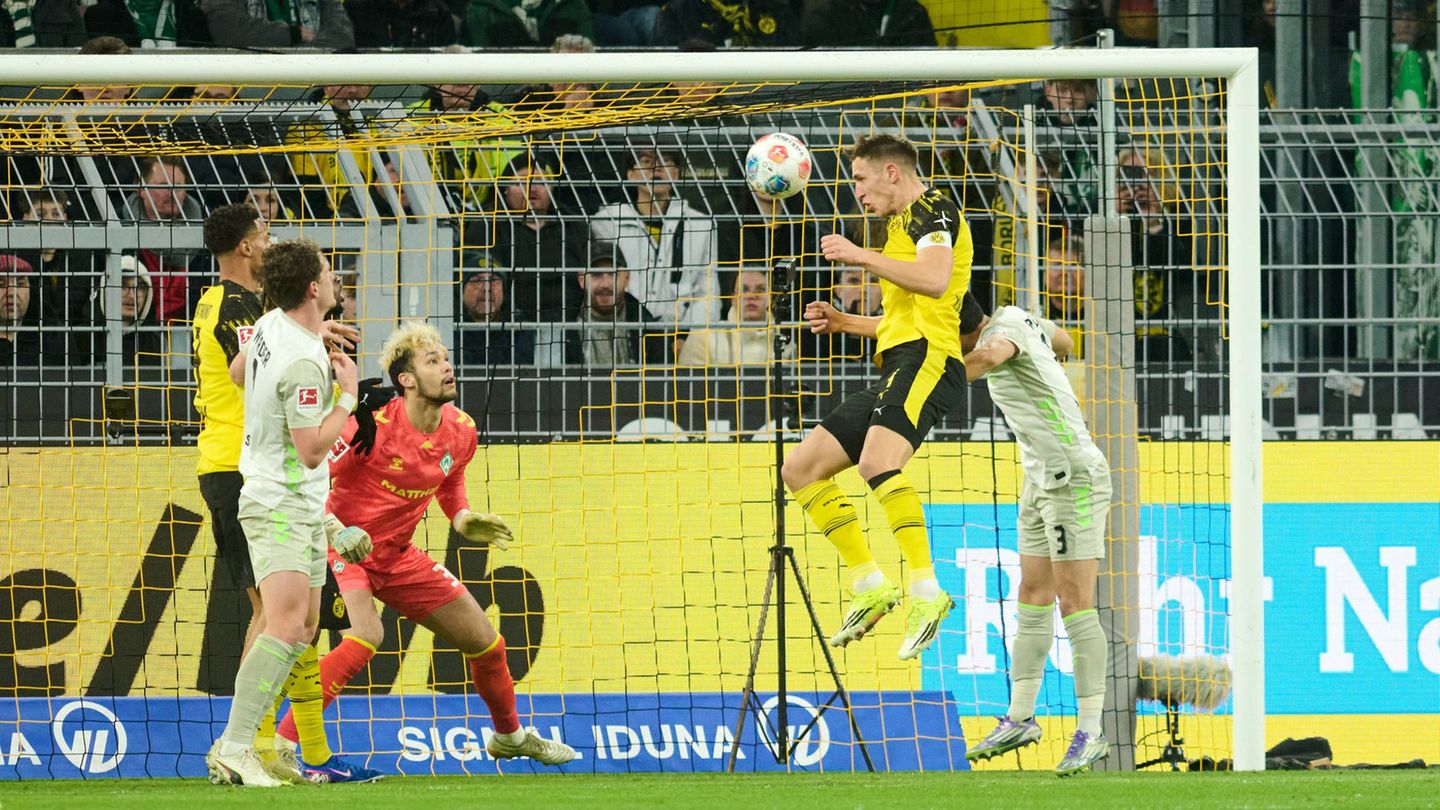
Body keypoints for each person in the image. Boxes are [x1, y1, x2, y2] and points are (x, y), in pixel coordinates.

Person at [275, 321, 579, 767]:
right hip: (344, 548)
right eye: (432, 361)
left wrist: (461, 516)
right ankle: (282, 743)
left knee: (487, 644)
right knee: (367, 634)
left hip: (398, 556)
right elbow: (308, 480)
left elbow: (449, 477)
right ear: (407, 379)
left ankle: (509, 737)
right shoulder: (370, 427)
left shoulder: (462, 430)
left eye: (446, 358)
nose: (447, 367)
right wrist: (335, 530)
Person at [193, 211, 367, 785]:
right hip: (280, 501)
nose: (336, 277)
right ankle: (237, 745)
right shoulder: (302, 360)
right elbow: (315, 449)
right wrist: (347, 396)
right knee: (284, 624)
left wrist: (307, 341)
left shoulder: (271, 324)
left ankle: (251, 745)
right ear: (314, 288)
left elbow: (241, 372)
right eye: (329, 270)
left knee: (306, 622)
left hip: (289, 496)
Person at [787, 133, 974, 660]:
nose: (858, 194)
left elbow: (936, 282)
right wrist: (846, 321)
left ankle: (926, 589)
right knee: (801, 468)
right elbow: (935, 312)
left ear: (892, 173)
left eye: (861, 180)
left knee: (876, 462)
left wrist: (858, 255)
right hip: (901, 359)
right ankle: (870, 583)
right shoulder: (901, 228)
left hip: (927, 362)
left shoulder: (932, 208)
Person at [958, 300, 1112, 777]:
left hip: (1076, 478)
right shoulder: (1016, 318)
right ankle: (1020, 717)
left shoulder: (996, 338)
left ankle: (1091, 731)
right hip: (1040, 478)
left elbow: (987, 358)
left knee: (1075, 601)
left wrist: (932, 381)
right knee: (1032, 592)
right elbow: (1063, 340)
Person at [590, 144, 720, 328]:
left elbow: (708, 290)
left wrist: (689, 336)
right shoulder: (605, 223)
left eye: (665, 162)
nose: (656, 168)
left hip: (680, 334)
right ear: (631, 174)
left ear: (676, 174)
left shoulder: (700, 224)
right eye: (646, 161)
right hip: (621, 329)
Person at [564, 243, 667, 366]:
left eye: (613, 274)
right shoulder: (562, 328)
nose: (605, 284)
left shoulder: (649, 330)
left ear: (627, 278)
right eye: (596, 275)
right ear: (581, 280)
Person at [677, 268, 789, 366]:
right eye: (744, 290)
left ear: (771, 298)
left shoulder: (785, 345)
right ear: (733, 299)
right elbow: (690, 388)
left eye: (760, 290)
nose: (752, 296)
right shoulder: (701, 339)